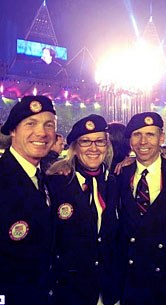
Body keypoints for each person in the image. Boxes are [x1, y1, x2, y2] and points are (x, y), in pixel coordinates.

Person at [46, 114, 120, 305]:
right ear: (75, 148)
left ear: (107, 146)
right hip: (71, 290)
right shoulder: (56, 182)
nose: (93, 148)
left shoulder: (115, 183)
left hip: (109, 287)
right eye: (85, 141)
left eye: (99, 142)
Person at [117, 112, 166, 305]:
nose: (143, 141)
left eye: (150, 134)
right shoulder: (120, 175)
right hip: (131, 280)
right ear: (130, 140)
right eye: (137, 134)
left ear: (162, 138)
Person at [0, 95, 57, 305]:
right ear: (13, 130)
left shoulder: (47, 178)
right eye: (30, 123)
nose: (41, 132)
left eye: (48, 124)